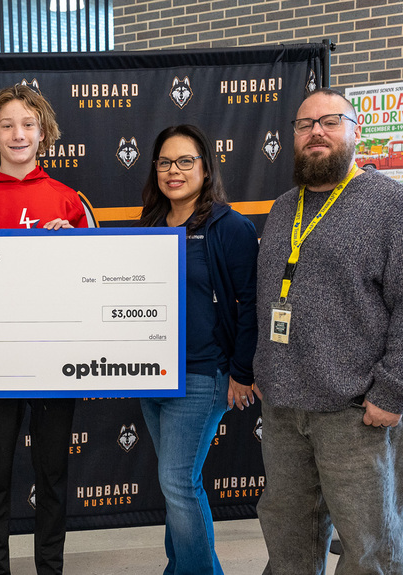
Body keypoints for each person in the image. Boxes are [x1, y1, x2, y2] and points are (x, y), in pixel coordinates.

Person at [253, 88, 403, 574]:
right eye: (304, 125)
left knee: (368, 547)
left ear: (355, 132)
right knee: (287, 538)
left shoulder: (396, 208)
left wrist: (393, 393)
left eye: (330, 121)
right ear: (294, 138)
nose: (316, 131)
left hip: (355, 413)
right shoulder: (282, 209)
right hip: (283, 411)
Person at [0, 83, 87, 575]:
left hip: (55, 361)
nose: (17, 133)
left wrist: (75, 246)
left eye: (27, 124)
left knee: (53, 474)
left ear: (43, 132)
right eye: (7, 124)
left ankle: (50, 568)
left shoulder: (68, 200)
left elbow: (93, 284)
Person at [136, 125, 259, 575]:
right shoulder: (148, 225)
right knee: (178, 485)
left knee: (177, 482)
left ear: (206, 168)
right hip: (149, 373)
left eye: (186, 161)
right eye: (165, 162)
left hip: (203, 375)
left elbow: (252, 307)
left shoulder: (230, 228)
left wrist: (242, 372)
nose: (174, 170)